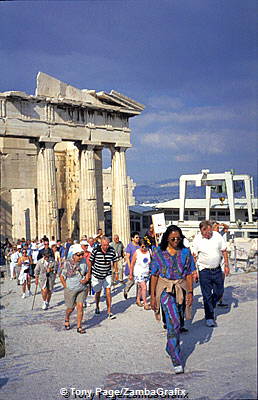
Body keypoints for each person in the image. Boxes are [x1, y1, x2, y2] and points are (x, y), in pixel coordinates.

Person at [150, 225, 195, 374]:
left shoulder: (186, 253)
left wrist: (190, 293)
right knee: (173, 321)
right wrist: (152, 297)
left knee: (178, 321)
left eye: (178, 238)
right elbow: (154, 275)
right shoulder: (158, 252)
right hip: (164, 289)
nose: (176, 241)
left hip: (180, 288)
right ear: (167, 238)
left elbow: (189, 274)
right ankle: (175, 356)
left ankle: (170, 345)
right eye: (172, 238)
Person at [192, 220, 229, 327]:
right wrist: (194, 271)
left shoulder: (217, 236)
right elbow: (194, 256)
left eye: (208, 233)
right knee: (206, 294)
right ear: (201, 232)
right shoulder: (197, 239)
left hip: (217, 269)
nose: (207, 235)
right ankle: (209, 317)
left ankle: (210, 306)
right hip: (204, 271)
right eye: (204, 234)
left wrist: (226, 265)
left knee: (219, 291)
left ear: (210, 229)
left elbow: (224, 250)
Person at [60, 244, 89, 333]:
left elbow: (87, 272)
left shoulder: (84, 261)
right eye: (78, 255)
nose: (81, 256)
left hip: (82, 288)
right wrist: (66, 287)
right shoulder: (67, 263)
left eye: (82, 254)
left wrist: (86, 278)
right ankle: (67, 318)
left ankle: (79, 327)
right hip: (70, 289)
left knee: (80, 306)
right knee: (70, 308)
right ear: (73, 255)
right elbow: (61, 276)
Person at [88, 236, 118, 319]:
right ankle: (97, 306)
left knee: (108, 292)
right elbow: (90, 262)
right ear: (101, 244)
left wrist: (116, 272)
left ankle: (109, 310)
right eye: (104, 245)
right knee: (98, 292)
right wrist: (88, 273)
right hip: (97, 274)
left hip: (107, 274)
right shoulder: (95, 250)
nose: (106, 247)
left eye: (107, 245)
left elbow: (114, 261)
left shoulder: (111, 250)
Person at [130, 238, 152, 309]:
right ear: (140, 246)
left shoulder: (149, 251)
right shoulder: (137, 252)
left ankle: (138, 299)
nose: (144, 248)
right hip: (138, 272)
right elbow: (132, 263)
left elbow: (152, 260)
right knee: (144, 287)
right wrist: (131, 274)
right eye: (142, 246)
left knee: (140, 287)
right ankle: (145, 303)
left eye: (145, 246)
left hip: (146, 272)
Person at [211, 221, 229, 308]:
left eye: (218, 227)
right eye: (216, 227)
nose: (217, 229)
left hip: (221, 262)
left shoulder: (221, 234)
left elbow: (226, 227)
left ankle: (220, 300)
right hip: (213, 262)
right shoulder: (209, 236)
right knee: (213, 282)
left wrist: (222, 224)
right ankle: (212, 299)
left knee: (221, 282)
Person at [123, 232, 140, 300]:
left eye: (138, 237)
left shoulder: (139, 246)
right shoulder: (130, 246)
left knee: (139, 282)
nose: (138, 239)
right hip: (131, 266)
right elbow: (127, 257)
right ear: (132, 238)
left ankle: (138, 297)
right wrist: (130, 268)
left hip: (138, 267)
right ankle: (126, 290)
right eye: (136, 237)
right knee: (131, 281)